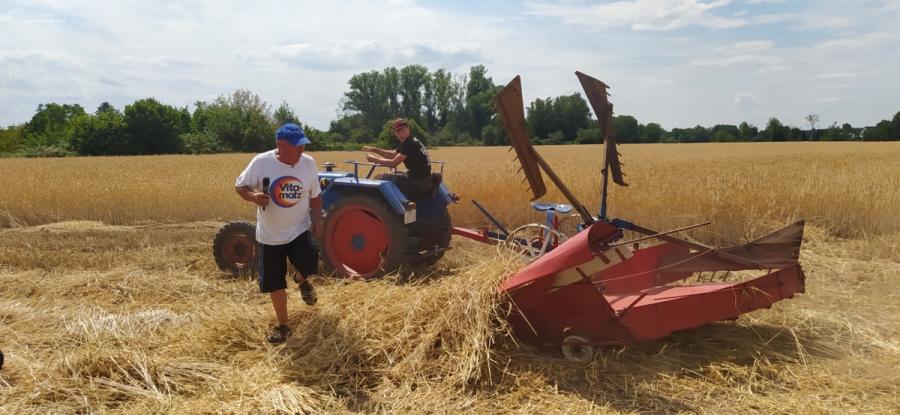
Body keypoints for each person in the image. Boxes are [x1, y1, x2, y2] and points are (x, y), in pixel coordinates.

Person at [235, 123, 323, 344]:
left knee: (309, 264)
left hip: (299, 228)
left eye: (303, 146)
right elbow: (240, 186)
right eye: (296, 147)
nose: (300, 151)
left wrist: (317, 219)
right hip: (270, 235)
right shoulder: (262, 162)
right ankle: (284, 327)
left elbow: (315, 195)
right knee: (275, 283)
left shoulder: (308, 163)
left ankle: (301, 279)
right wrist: (254, 197)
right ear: (280, 145)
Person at [362, 118, 431, 180]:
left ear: (408, 128)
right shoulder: (411, 139)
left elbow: (393, 163)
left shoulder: (409, 143)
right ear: (395, 133)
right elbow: (393, 155)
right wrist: (375, 150)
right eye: (397, 131)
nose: (400, 134)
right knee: (393, 172)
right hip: (422, 175)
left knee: (377, 177)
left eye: (402, 130)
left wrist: (374, 159)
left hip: (416, 178)